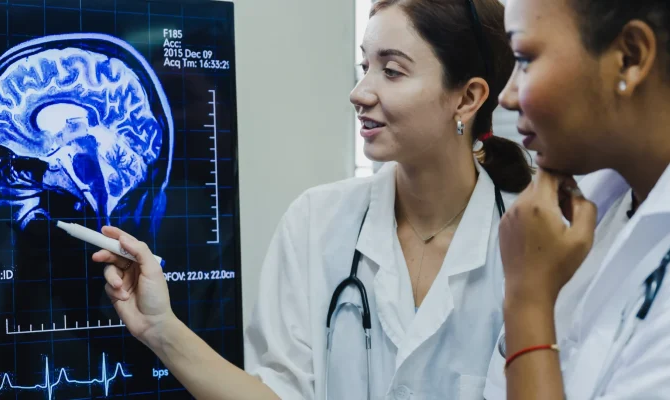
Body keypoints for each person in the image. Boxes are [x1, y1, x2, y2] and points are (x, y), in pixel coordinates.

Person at [94, 0, 534, 399]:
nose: (360, 92)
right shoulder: (316, 220)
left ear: (468, 97)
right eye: (364, 66)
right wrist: (160, 328)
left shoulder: (533, 243)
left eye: (392, 70)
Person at [480, 0, 670, 399]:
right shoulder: (597, 200)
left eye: (524, 58)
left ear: (630, 57)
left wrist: (527, 300)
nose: (507, 96)